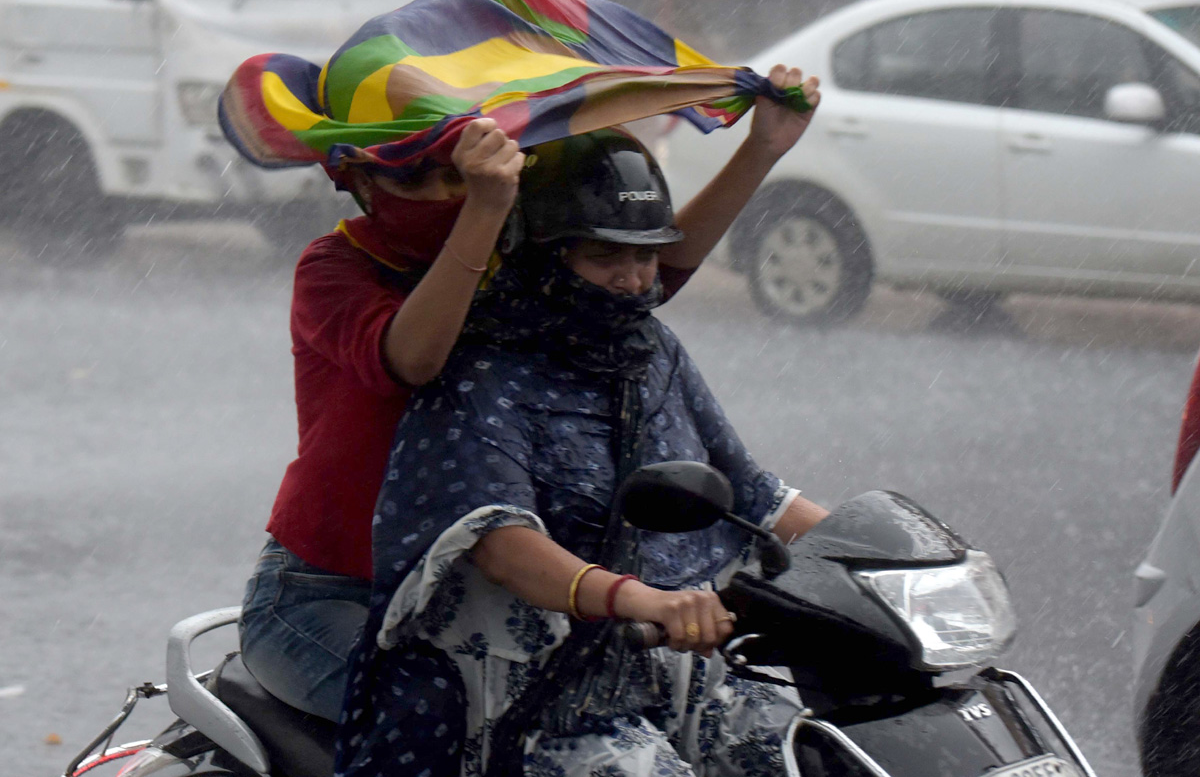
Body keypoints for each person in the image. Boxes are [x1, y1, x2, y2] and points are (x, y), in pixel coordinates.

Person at [237, 64, 821, 723]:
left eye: (454, 170)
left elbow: (633, 275)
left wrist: (762, 147)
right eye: (412, 176)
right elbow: (415, 358)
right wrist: (483, 209)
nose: (441, 192)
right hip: (335, 591)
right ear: (359, 181)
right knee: (444, 727)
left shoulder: (512, 263)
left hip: (473, 602)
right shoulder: (335, 268)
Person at [335, 129, 829, 777]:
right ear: (541, 254)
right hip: (540, 706)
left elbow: (755, 495)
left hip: (670, 674)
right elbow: (501, 542)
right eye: (604, 257)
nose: (630, 281)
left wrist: (892, 560)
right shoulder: (481, 371)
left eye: (647, 257)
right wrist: (644, 600)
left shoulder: (652, 350)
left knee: (814, 752)